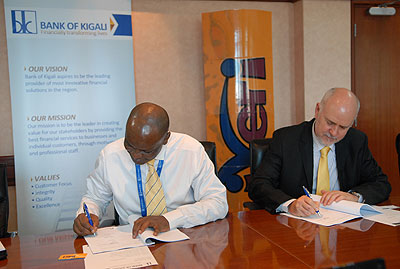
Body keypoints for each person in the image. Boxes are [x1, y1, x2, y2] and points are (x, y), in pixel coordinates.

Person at [73, 102, 228, 237]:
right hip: (132, 239)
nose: (136, 156)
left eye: (146, 151)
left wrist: (170, 219)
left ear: (166, 138)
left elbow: (217, 202)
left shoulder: (190, 151)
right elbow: (95, 198)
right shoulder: (110, 155)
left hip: (185, 234)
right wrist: (87, 214)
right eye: (129, 146)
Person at [248, 88, 391, 217]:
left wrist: (354, 197)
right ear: (317, 110)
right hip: (297, 226)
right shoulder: (285, 139)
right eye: (330, 123)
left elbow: (381, 183)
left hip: (342, 225)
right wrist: (290, 204)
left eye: (343, 127)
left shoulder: (356, 141)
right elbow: (259, 185)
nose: (334, 132)